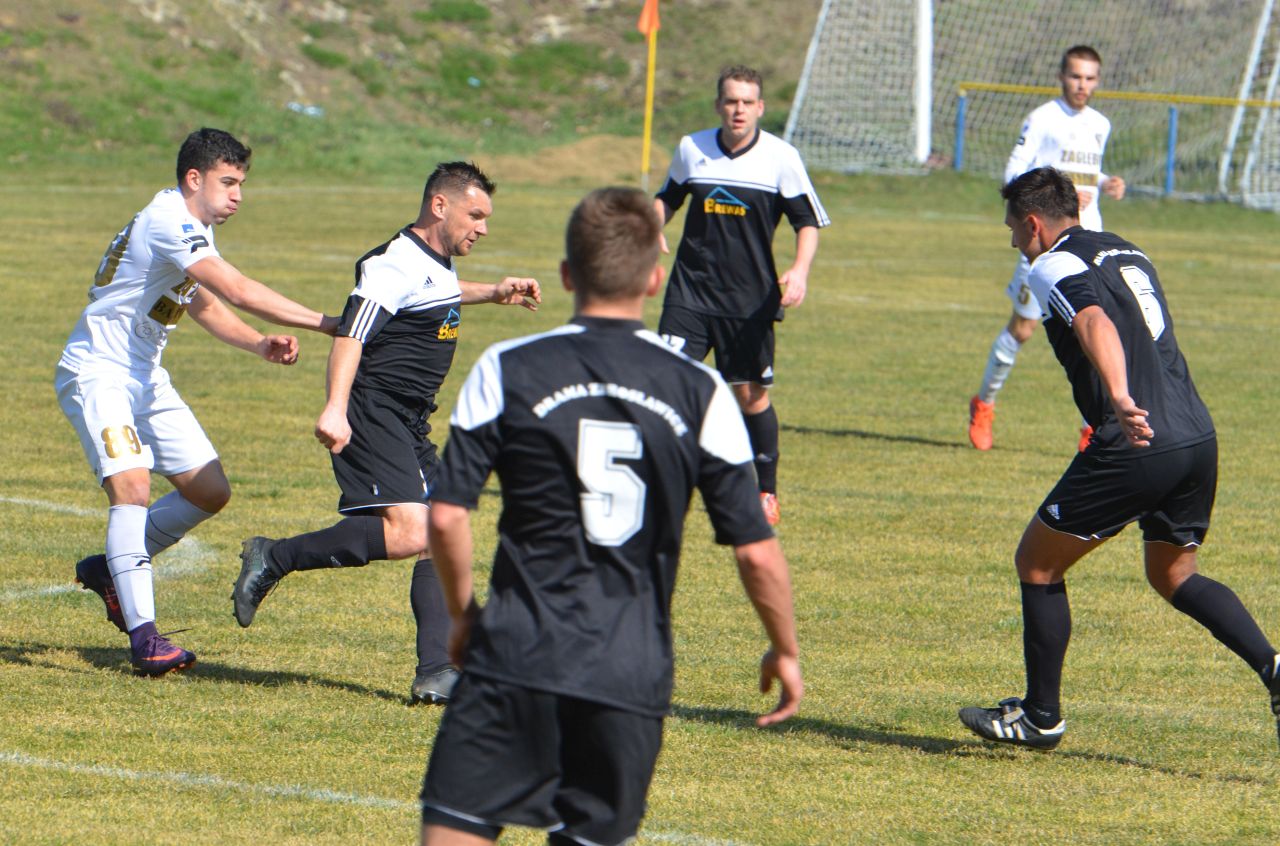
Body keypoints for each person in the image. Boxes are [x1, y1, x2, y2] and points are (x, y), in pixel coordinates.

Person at [418, 187, 803, 845]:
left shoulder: (507, 367)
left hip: (515, 652)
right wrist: (785, 648)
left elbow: (448, 515)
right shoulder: (701, 389)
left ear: (568, 275)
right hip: (628, 669)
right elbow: (755, 550)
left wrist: (461, 617)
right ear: (654, 280)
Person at [959, 167, 1280, 750]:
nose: (1013, 242)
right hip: (1196, 435)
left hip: (1137, 439)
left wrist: (1120, 397)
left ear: (1033, 223)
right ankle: (1274, 667)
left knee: (1037, 563)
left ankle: (1040, 717)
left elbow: (1092, 320)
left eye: (1012, 229)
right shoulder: (1127, 249)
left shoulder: (1050, 263)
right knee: (1174, 574)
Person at [231, 162, 540, 706]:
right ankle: (273, 557)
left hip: (410, 417)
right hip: (374, 411)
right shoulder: (393, 263)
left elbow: (433, 290)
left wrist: (492, 292)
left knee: (441, 531)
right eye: (475, 215)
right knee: (412, 533)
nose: (484, 228)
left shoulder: (431, 262)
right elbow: (351, 334)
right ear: (439, 206)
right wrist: (335, 409)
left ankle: (437, 672)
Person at [58, 127, 338, 676]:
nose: (238, 195)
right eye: (228, 182)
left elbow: (202, 302)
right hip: (99, 373)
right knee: (132, 488)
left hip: (145, 377)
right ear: (194, 178)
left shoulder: (191, 226)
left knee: (209, 491)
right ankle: (145, 640)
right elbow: (235, 288)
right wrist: (329, 322)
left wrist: (257, 343)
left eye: (241, 184)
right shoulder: (170, 220)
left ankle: (111, 570)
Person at [654, 64, 830, 526]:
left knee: (750, 396)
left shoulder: (781, 158)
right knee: (667, 386)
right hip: (689, 293)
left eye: (747, 102)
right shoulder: (692, 148)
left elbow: (807, 222)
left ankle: (766, 490)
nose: (739, 109)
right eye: (731, 101)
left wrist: (800, 270)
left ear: (760, 108)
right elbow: (667, 198)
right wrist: (652, 226)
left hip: (749, 302)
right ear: (718, 105)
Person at [968, 45, 1126, 452]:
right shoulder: (1042, 119)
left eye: (1090, 78)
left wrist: (1105, 182)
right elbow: (1014, 173)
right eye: (1075, 76)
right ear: (1061, 76)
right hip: (1044, 247)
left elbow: (1087, 170)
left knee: (1093, 333)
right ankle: (984, 403)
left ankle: (1094, 429)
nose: (1082, 85)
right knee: (1023, 329)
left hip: (1088, 244)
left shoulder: (1101, 124)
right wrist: (1062, 194)